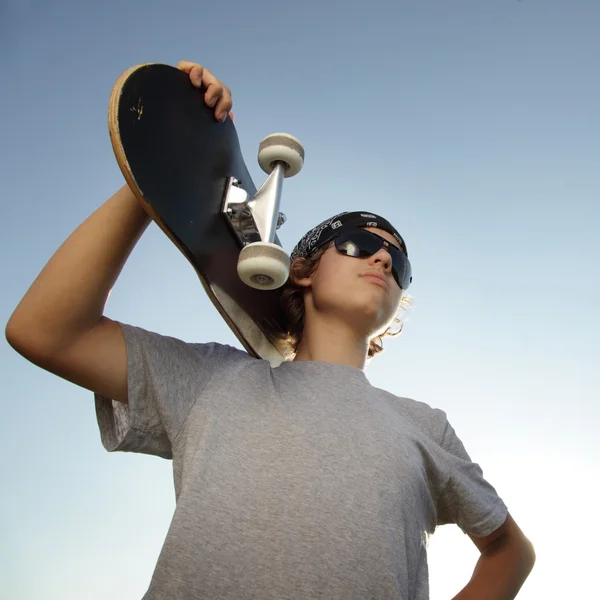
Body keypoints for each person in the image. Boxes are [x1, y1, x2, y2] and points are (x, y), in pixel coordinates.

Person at [6, 60, 535, 600]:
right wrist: (167, 165)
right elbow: (45, 331)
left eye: (398, 263)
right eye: (357, 243)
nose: (381, 259)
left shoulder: (426, 425)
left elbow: (511, 552)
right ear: (300, 270)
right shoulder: (212, 379)